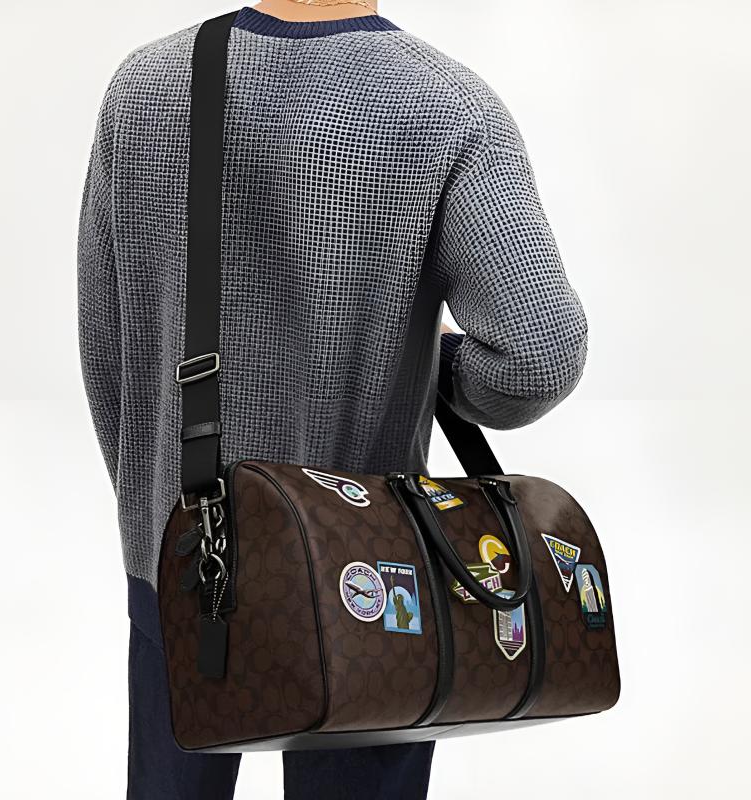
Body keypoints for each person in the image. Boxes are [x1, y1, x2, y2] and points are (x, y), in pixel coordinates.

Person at [77, 1, 588, 797]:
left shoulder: (144, 88)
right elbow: (539, 355)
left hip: (181, 555)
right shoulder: (448, 108)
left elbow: (109, 349)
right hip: (375, 578)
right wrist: (437, 369)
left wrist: (152, 521)